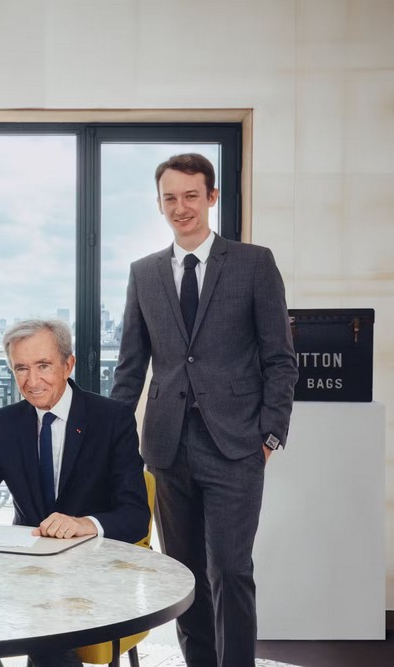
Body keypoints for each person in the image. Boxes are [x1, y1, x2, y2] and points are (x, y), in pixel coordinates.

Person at [111, 153, 298, 667]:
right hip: (168, 449)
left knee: (231, 571)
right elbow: (131, 368)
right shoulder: (144, 273)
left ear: (211, 197)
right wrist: (108, 442)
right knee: (186, 575)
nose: (180, 207)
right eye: (170, 198)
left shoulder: (253, 264)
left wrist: (270, 437)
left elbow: (280, 359)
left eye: (191, 195)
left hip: (237, 446)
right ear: (159, 204)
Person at [0, 319, 149, 667]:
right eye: (21, 368)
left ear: (68, 365)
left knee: (51, 641)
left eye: (43, 366)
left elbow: (136, 516)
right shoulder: (6, 422)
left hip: (92, 570)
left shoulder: (112, 418)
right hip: (26, 569)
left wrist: (84, 523)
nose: (32, 382)